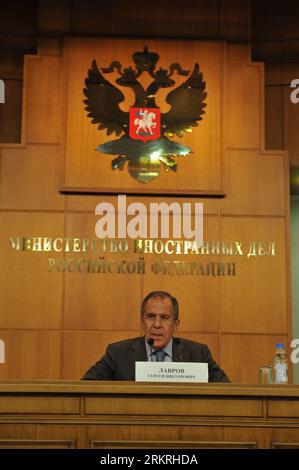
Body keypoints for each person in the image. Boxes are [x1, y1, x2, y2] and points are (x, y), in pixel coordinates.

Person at [82, 290, 230, 382]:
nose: (157, 324)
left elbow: (227, 392)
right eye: (151, 317)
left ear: (176, 324)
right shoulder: (118, 353)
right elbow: (86, 386)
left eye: (165, 317)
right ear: (142, 322)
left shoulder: (198, 354)